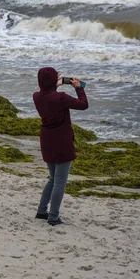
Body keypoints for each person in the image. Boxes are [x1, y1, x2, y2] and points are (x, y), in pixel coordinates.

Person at [32, 67, 88, 226]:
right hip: (62, 142)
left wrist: (54, 84)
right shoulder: (61, 98)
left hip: (47, 141)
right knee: (59, 182)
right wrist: (79, 88)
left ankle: (42, 211)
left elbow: (47, 93)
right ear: (53, 81)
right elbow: (83, 105)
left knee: (52, 178)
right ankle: (53, 217)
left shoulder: (36, 96)